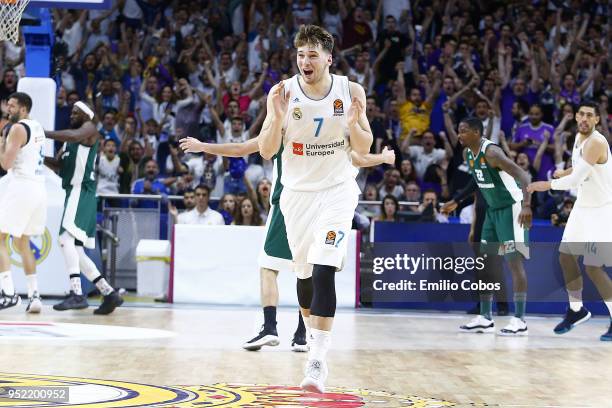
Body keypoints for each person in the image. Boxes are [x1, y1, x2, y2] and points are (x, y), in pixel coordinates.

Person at [180, 134, 392, 357]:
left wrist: (202, 146)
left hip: (287, 204)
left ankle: (270, 327)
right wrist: (383, 157)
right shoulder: (328, 133)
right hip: (320, 207)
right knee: (308, 271)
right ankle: (303, 335)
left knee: (268, 268)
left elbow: (241, 148)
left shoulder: (283, 131)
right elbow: (357, 157)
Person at [258, 25, 373, 393]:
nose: (305, 61)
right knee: (305, 277)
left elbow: (364, 144)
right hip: (297, 195)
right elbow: (265, 149)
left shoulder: (350, 91)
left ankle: (318, 361)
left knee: (325, 269)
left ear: (328, 58)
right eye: (300, 55)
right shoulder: (283, 93)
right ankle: (311, 339)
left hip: (337, 191)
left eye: (312, 55)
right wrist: (275, 117)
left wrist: (353, 126)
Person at [528, 102, 612, 341]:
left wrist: (547, 184)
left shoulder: (596, 141)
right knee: (566, 256)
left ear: (597, 120)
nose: (585, 119)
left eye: (590, 116)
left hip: (603, 210)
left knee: (593, 268)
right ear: (576, 117)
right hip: (583, 208)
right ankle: (576, 310)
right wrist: (565, 172)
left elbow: (576, 180)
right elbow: (582, 169)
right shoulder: (578, 137)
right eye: (581, 114)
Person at [454, 118, 532, 336]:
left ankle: (520, 319)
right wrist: (458, 203)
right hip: (492, 210)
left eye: (464, 131)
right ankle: (485, 317)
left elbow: (523, 175)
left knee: (513, 263)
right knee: (485, 263)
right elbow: (479, 184)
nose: (459, 135)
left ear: (477, 133)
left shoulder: (492, 153)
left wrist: (527, 205)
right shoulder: (467, 154)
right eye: (459, 131)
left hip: (512, 208)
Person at [43, 101, 123, 315]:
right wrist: (40, 158)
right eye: (71, 111)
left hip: (82, 191)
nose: (72, 114)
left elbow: (73, 135)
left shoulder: (89, 130)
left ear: (87, 114)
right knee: (76, 249)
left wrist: (43, 133)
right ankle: (109, 293)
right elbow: (60, 166)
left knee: (64, 239)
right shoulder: (69, 143)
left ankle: (77, 294)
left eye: (76, 112)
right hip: (74, 193)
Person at [0, 92, 45, 313]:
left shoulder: (17, 129)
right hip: (38, 188)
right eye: (8, 105)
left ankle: (8, 293)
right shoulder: (37, 127)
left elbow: (6, 164)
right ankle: (34, 295)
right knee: (23, 243)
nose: (8, 109)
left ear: (24, 109)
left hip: (22, 187)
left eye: (13, 106)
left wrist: (1, 142)